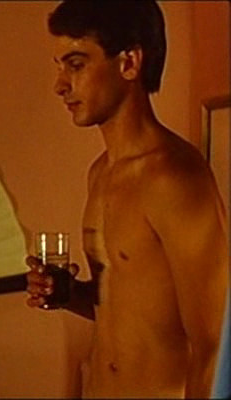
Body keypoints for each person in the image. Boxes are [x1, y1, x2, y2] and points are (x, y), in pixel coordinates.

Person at [24, 1, 229, 398]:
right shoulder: (101, 173)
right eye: (60, 66)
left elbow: (215, 341)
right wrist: (67, 292)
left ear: (129, 62)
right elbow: (125, 308)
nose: (60, 85)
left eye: (76, 64)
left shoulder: (174, 178)